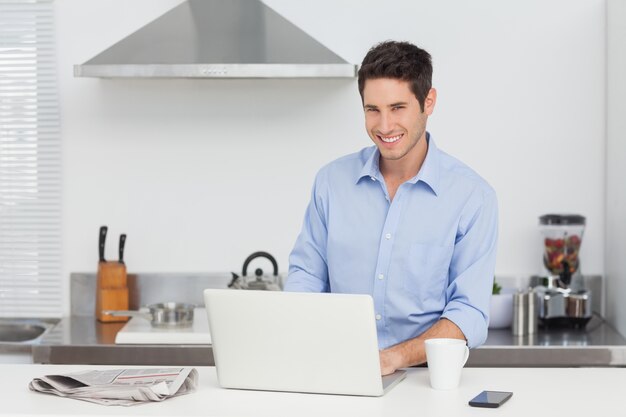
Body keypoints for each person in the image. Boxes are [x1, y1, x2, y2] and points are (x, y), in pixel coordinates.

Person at [284, 40, 498, 375]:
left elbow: (468, 313)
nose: (384, 127)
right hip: (338, 370)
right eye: (373, 110)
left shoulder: (472, 197)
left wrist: (393, 358)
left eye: (397, 108)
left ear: (428, 102)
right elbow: (308, 274)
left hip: (426, 380)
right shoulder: (331, 183)